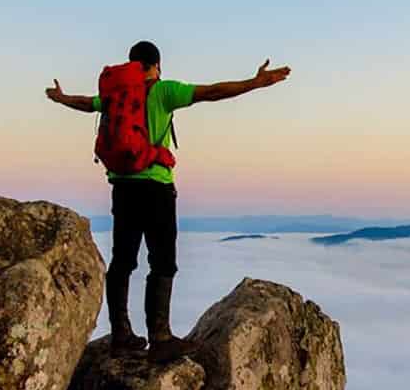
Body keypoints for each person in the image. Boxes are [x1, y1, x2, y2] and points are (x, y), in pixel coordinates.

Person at [45, 41, 290, 362]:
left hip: (122, 187)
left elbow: (87, 104)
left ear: (133, 65)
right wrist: (255, 83)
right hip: (156, 187)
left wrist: (62, 98)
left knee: (123, 261)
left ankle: (121, 334)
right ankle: (160, 337)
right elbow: (212, 92)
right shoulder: (162, 92)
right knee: (162, 262)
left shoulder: (116, 96)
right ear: (157, 66)